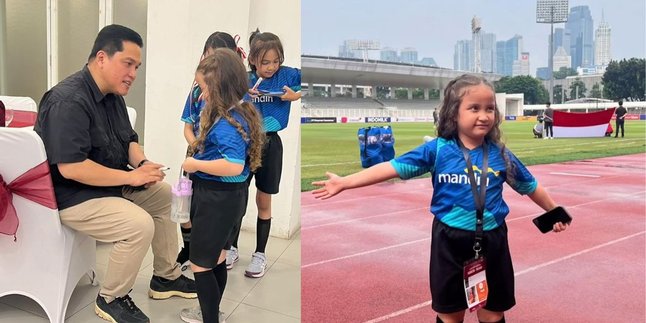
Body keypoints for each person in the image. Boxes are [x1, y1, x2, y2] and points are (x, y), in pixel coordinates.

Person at [311, 74, 568, 323]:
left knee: (492, 314)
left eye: (490, 108)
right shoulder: (437, 150)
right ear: (454, 112)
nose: (484, 115)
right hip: (449, 241)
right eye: (474, 108)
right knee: (450, 314)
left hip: (493, 241)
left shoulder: (501, 154)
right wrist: (345, 182)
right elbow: (392, 167)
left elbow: (531, 186)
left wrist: (554, 211)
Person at [34, 24, 196, 323]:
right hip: (71, 196)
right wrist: (130, 177)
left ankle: (166, 277)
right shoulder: (67, 100)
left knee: (163, 195)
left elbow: (129, 140)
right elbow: (72, 168)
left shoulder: (113, 95)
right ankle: (111, 297)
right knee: (138, 225)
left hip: (105, 186)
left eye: (137, 66)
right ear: (101, 58)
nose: (133, 73)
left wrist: (143, 164)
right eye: (128, 64)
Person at [179, 48, 264, 323]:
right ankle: (211, 313)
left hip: (216, 200)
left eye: (204, 88)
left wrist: (196, 165)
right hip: (229, 199)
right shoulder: (235, 112)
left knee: (200, 265)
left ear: (220, 87)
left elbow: (233, 165)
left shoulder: (228, 122)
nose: (201, 95)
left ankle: (209, 317)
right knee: (217, 259)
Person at [225, 29, 301, 278]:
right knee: (237, 197)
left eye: (276, 61)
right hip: (244, 143)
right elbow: (225, 97)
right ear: (253, 60)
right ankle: (232, 247)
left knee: (263, 200)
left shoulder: (287, 75)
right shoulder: (244, 78)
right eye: (265, 62)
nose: (271, 67)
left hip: (270, 144)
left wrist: (297, 94)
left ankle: (259, 254)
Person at [177, 31, 246, 272]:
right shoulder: (196, 91)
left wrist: (203, 158)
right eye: (207, 55)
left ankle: (212, 255)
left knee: (215, 219)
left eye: (216, 57)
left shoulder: (235, 101)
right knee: (186, 209)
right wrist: (197, 145)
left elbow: (235, 162)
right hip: (197, 158)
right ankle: (191, 252)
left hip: (218, 172)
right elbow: (187, 125)